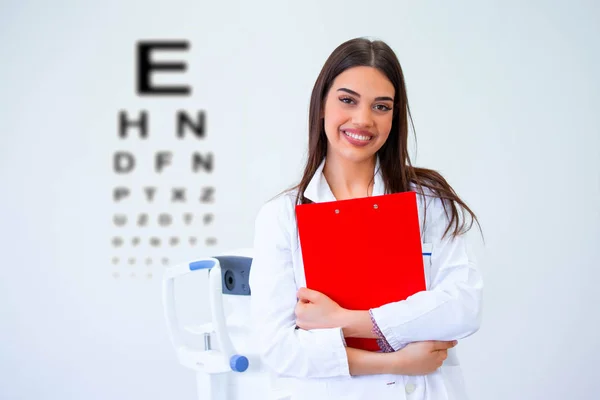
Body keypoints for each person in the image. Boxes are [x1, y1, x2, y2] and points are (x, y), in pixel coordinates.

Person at [249, 37, 483, 400]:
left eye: (381, 106)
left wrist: (345, 321)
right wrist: (399, 361)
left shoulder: (428, 201)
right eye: (347, 100)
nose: (363, 119)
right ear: (322, 105)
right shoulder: (281, 216)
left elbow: (463, 307)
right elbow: (278, 347)